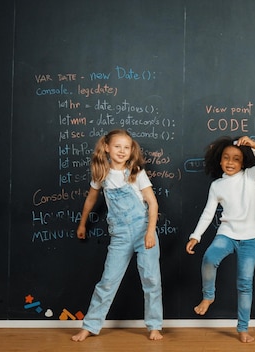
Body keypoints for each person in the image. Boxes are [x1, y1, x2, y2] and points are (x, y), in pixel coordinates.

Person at [72, 129, 162, 342]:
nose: (122, 151)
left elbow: (153, 203)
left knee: (151, 280)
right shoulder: (101, 174)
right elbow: (90, 200)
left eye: (126, 147)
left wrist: (150, 232)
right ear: (106, 147)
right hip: (120, 235)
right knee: (108, 281)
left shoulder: (135, 172)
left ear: (131, 151)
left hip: (143, 231)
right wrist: (82, 223)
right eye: (117, 146)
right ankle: (90, 326)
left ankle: (154, 326)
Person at [185, 135, 255, 343]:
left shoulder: (251, 176)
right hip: (226, 234)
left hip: (249, 239)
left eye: (236, 159)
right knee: (209, 259)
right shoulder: (217, 186)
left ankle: (243, 328)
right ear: (220, 160)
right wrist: (196, 236)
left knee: (244, 284)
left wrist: (254, 146)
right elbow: (207, 213)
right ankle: (208, 296)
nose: (230, 162)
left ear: (243, 162)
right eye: (226, 158)